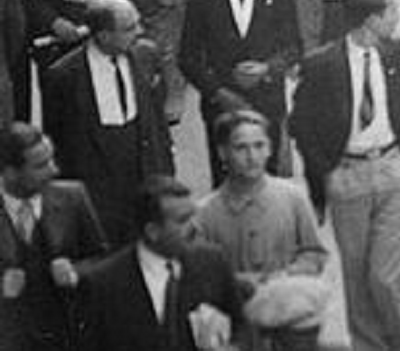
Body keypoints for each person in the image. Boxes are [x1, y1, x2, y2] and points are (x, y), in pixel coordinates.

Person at [288, 0, 400, 351]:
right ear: (370, 20)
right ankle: (368, 345)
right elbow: (299, 123)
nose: (397, 17)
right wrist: (326, 172)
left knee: (388, 274)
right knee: (356, 274)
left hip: (392, 167)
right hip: (347, 175)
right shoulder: (322, 64)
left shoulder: (396, 53)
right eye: (391, 11)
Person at [194, 109, 329, 351]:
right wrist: (239, 282)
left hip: (287, 304)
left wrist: (286, 274)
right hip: (234, 310)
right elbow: (202, 274)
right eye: (241, 148)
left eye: (259, 145)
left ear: (269, 148)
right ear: (223, 152)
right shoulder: (205, 213)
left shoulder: (292, 197)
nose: (252, 156)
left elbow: (314, 254)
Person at [41, 0, 172, 243]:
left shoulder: (145, 56)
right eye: (129, 28)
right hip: (96, 184)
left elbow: (157, 118)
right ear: (103, 35)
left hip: (142, 171)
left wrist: (165, 169)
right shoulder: (64, 77)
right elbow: (58, 141)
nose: (140, 32)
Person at [178, 0, 300, 182]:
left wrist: (267, 69)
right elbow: (187, 57)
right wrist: (218, 92)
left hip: (267, 100)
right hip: (221, 105)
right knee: (225, 176)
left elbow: (293, 48)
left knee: (267, 175)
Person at [73, 175, 243, 351]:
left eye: (193, 217)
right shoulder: (103, 284)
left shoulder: (213, 263)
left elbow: (240, 328)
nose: (195, 227)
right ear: (152, 231)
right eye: (182, 221)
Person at [0, 120, 109, 351]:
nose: (54, 170)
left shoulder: (73, 197)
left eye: (51, 159)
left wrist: (76, 273)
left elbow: (104, 261)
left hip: (65, 336)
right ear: (10, 172)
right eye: (40, 165)